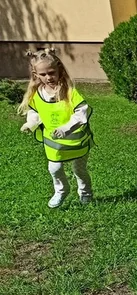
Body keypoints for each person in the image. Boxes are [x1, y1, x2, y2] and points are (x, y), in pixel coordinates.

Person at [18, 50, 94, 208]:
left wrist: (66, 128)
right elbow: (35, 112)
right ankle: (61, 190)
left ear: (59, 69)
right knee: (54, 168)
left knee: (79, 170)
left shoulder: (69, 91)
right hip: (54, 142)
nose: (48, 77)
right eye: (43, 74)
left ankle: (86, 193)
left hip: (76, 141)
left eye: (51, 73)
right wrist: (30, 124)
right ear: (36, 74)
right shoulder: (37, 94)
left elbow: (82, 112)